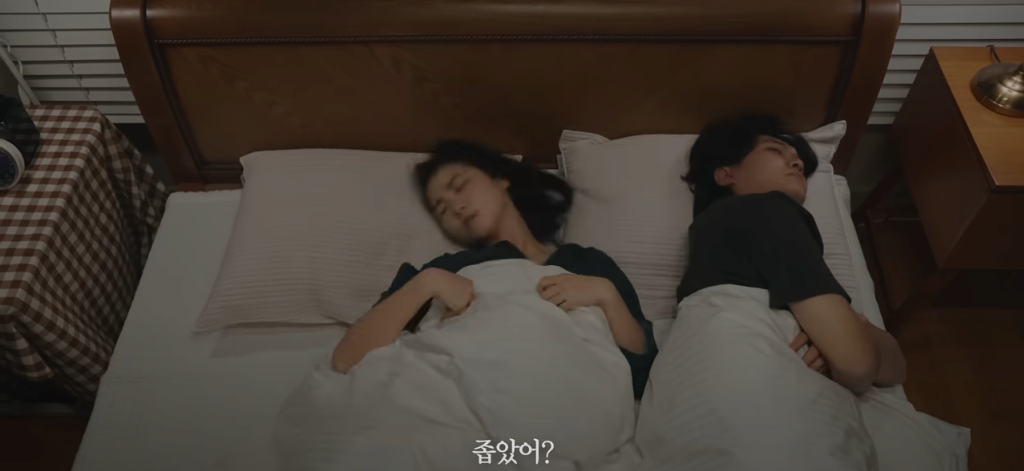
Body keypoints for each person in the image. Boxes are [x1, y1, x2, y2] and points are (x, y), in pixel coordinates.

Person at [331, 140, 657, 399]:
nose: (456, 207)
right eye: (441, 208)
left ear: (500, 179)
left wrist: (606, 294)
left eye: (459, 185)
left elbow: (640, 379)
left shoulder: (588, 264)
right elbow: (347, 358)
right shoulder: (443, 269)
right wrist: (426, 284)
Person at [678, 115, 906, 394]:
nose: (798, 164)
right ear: (726, 174)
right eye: (775, 150)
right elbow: (856, 367)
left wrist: (853, 331)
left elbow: (896, 369)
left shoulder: (710, 233)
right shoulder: (768, 210)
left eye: (800, 161)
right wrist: (850, 336)